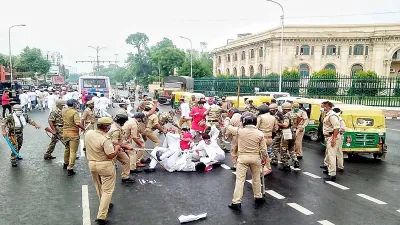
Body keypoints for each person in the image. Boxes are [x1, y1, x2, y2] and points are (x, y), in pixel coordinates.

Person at [226, 114, 267, 211]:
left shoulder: (240, 131)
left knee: (240, 180)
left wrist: (227, 119)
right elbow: (263, 149)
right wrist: (264, 158)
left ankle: (236, 202)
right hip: (255, 158)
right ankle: (258, 197)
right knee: (256, 179)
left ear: (244, 122)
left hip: (243, 158)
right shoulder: (260, 133)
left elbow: (228, 126)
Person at [85, 117, 119, 225]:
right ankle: (101, 216)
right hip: (105, 166)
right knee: (108, 191)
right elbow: (110, 155)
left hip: (92, 164)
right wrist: (117, 148)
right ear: (107, 127)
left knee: (98, 186)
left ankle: (103, 203)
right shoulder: (105, 139)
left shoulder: (89, 133)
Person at [108, 114, 136, 183]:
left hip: (118, 148)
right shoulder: (116, 130)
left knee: (126, 160)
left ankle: (125, 177)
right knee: (111, 165)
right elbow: (114, 142)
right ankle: (107, 180)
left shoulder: (115, 125)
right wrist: (126, 146)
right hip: (112, 149)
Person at [62, 99, 85, 176]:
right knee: (73, 151)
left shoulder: (63, 111)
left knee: (67, 148)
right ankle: (70, 168)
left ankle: (65, 164)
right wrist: (83, 128)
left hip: (65, 132)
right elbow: (78, 123)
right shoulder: (75, 112)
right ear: (74, 104)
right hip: (73, 133)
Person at [321, 101, 340, 181]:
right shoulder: (328, 115)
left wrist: (334, 139)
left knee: (332, 156)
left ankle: (332, 175)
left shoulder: (332, 115)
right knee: (329, 155)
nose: (322, 108)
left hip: (332, 136)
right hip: (329, 136)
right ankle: (329, 170)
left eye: (324, 106)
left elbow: (336, 128)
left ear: (328, 107)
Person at [256, 105, 277, 176]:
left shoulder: (260, 117)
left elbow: (256, 127)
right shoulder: (273, 117)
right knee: (266, 153)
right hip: (270, 138)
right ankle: (268, 167)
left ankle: (265, 168)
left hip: (262, 137)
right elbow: (276, 129)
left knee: (262, 154)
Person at [279, 102, 300, 171]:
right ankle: (295, 160)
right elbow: (299, 121)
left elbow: (285, 125)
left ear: (285, 109)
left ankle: (286, 164)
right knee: (291, 148)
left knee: (283, 148)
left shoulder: (286, 115)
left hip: (287, 133)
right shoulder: (295, 114)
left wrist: (278, 123)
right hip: (294, 133)